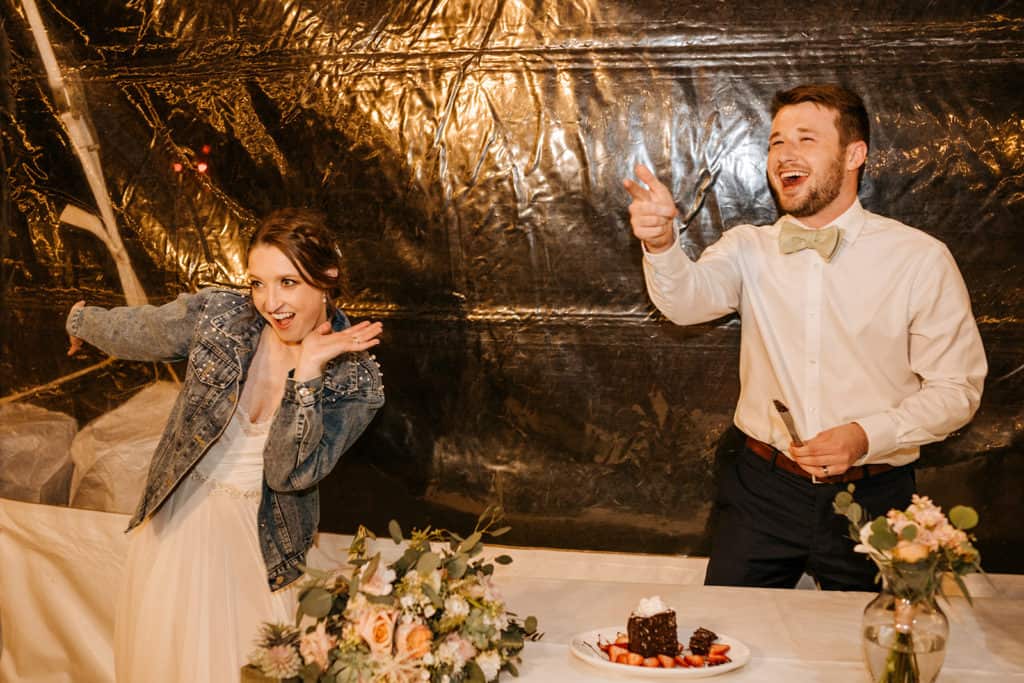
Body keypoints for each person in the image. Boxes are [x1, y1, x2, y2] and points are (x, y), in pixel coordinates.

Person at [623, 84, 987, 590]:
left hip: (876, 498)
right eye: (776, 142)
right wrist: (662, 243)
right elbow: (685, 303)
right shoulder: (748, 248)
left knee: (872, 651)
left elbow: (957, 390)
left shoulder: (919, 259)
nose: (785, 154)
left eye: (806, 139)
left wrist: (866, 435)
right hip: (760, 493)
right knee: (729, 638)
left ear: (854, 154)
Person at [65, 208, 385, 681]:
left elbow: (287, 473)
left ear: (327, 278)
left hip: (258, 544)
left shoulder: (356, 381)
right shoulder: (223, 316)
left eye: (288, 283)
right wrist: (79, 321)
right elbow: (143, 332)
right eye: (258, 283)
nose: (270, 301)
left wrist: (309, 376)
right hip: (177, 524)